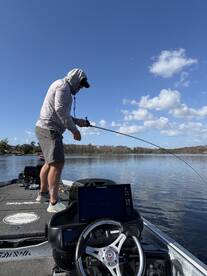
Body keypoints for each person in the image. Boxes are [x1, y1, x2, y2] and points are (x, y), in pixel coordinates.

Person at [35, 68, 90, 213]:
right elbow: (60, 110)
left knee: (49, 162)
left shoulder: (61, 85)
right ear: (75, 80)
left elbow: (61, 113)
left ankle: (42, 194)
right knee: (58, 162)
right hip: (50, 129)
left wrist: (77, 122)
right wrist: (74, 130)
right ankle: (53, 203)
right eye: (81, 84)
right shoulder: (63, 87)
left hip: (44, 128)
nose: (80, 88)